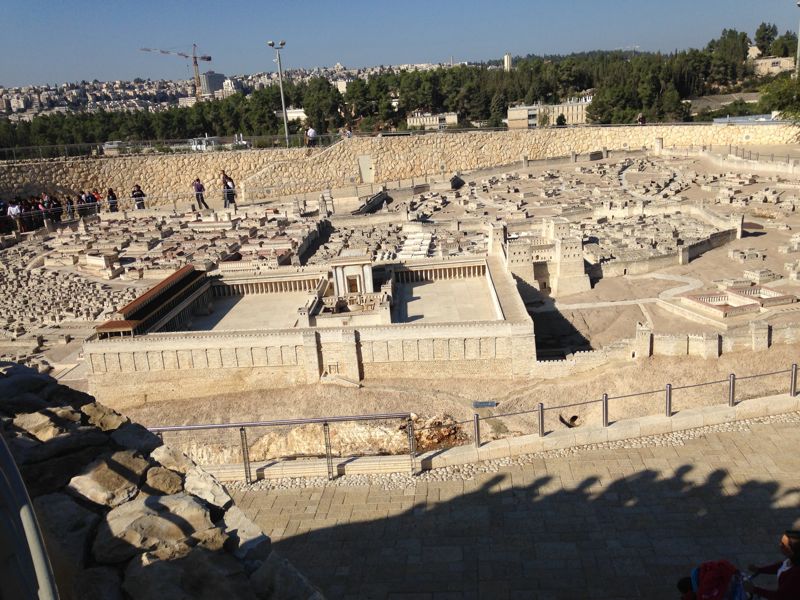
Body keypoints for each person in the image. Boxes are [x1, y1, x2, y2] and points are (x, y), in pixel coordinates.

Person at [744, 530, 800, 598]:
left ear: (792, 551)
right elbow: (780, 567)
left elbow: (779, 596)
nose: (779, 545)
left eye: (783, 545)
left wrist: (754, 589)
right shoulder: (791, 560)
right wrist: (759, 569)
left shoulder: (796, 574)